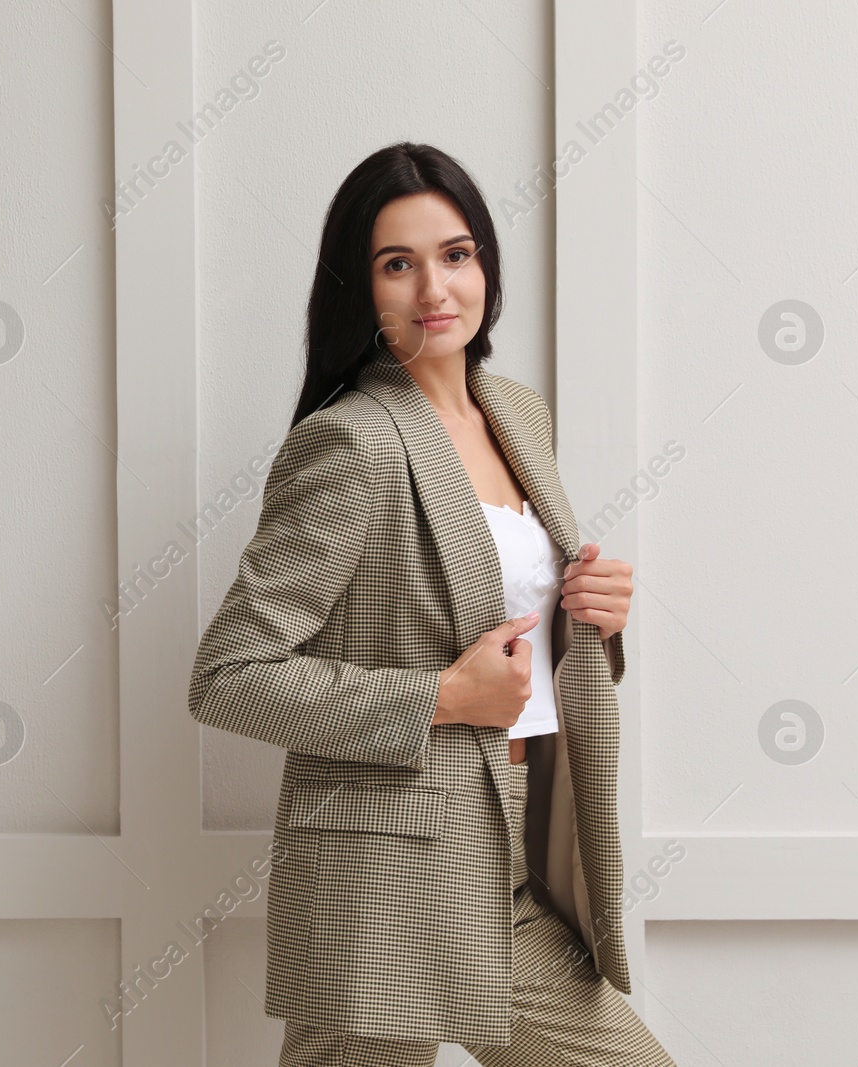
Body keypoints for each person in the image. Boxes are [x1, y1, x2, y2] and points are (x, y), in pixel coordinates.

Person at [188, 142, 674, 1066]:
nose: (433, 289)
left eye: (456, 255)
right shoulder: (350, 445)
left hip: (508, 860)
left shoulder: (516, 412)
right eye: (396, 264)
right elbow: (228, 677)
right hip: (381, 879)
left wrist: (594, 617)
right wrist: (443, 699)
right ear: (360, 289)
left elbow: (511, 621)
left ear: (486, 261)